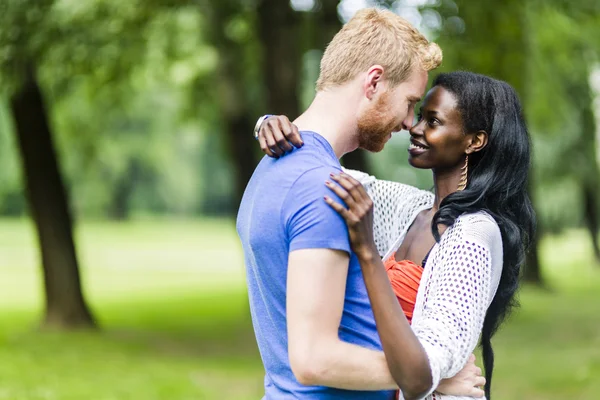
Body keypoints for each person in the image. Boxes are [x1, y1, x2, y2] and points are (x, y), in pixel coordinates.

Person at [237, 7, 485, 400]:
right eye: (409, 102)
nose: (409, 123)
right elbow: (314, 359)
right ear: (374, 82)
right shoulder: (324, 190)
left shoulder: (270, 169)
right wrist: (427, 375)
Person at [256, 71, 536, 400]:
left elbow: (425, 371)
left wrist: (368, 253)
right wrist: (270, 125)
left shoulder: (475, 236)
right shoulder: (409, 208)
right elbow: (322, 174)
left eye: (433, 122)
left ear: (475, 140)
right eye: (419, 116)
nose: (414, 129)